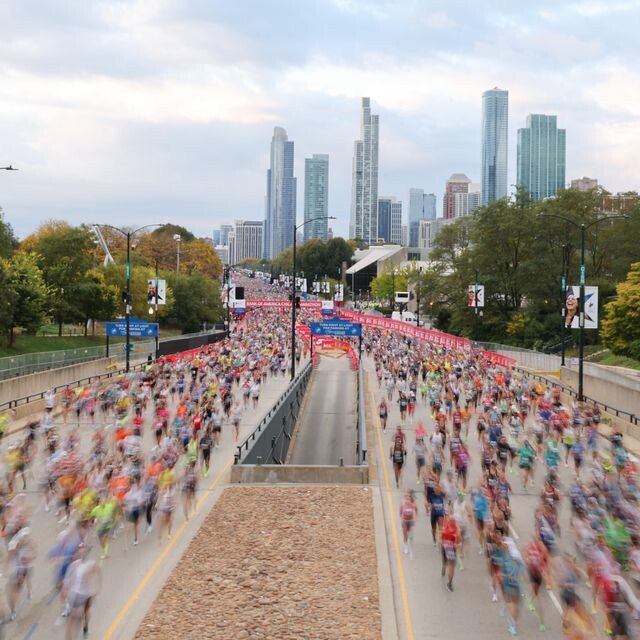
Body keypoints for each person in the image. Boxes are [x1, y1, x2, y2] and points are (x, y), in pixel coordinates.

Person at [63, 544, 102, 640]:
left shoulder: (91, 564)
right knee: (73, 618)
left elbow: (98, 574)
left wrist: (97, 588)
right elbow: (67, 580)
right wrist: (66, 590)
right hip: (76, 594)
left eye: (84, 551)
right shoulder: (74, 565)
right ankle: (73, 635)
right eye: (80, 551)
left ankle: (85, 626)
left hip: (87, 594)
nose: (82, 553)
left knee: (85, 612)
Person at [441, 507, 460, 591]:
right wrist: (457, 544)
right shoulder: (455, 526)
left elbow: (441, 535)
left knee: (446, 560)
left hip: (445, 544)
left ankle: (444, 564)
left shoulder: (445, 523)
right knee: (451, 565)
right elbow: (458, 539)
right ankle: (449, 583)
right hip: (451, 546)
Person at [399, 490, 418, 556]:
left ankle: (410, 538)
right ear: (404, 497)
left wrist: (416, 516)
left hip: (410, 521)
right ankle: (406, 547)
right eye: (405, 496)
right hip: (404, 520)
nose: (407, 497)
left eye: (408, 496)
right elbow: (400, 511)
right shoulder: (402, 503)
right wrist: (401, 517)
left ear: (410, 497)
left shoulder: (412, 503)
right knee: (405, 535)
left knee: (410, 534)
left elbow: (416, 509)